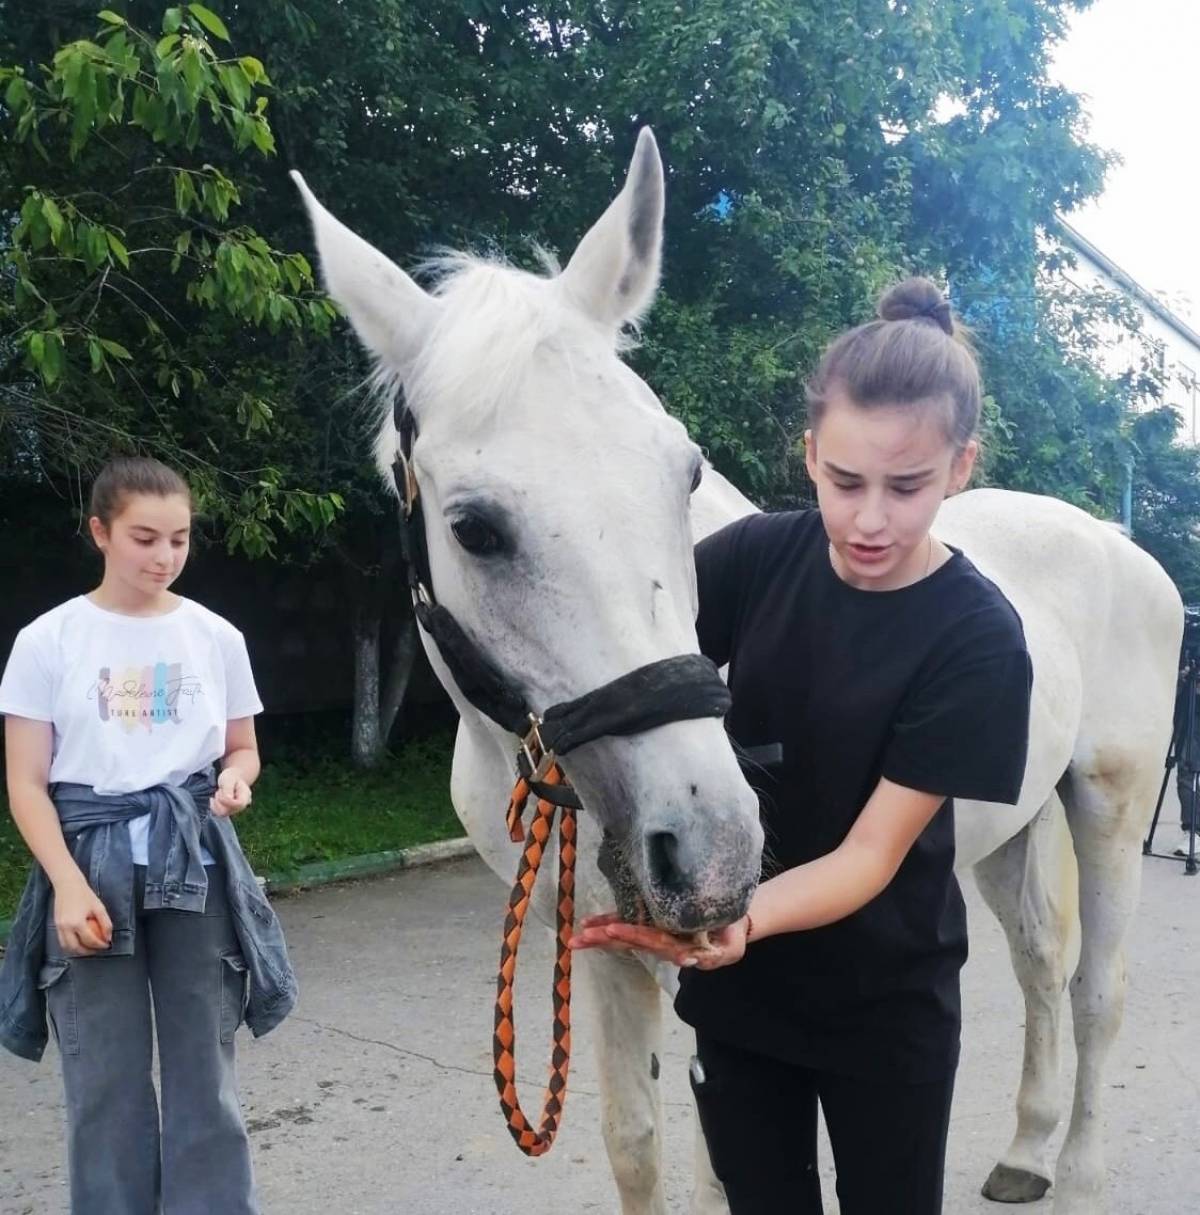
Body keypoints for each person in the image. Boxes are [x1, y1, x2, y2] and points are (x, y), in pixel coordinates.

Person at [570, 278, 1033, 1215]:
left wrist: (741, 919)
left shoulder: (978, 638)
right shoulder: (752, 558)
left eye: (907, 487)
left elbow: (871, 853)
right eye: (845, 481)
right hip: (743, 1003)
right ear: (811, 452)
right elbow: (633, 671)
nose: (870, 519)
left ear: (960, 467)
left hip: (886, 1007)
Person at [0, 456, 296, 1215]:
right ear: (100, 532)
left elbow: (242, 748)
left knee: (206, 1070)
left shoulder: (215, 636)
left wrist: (237, 779)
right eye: (144, 538)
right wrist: (67, 885)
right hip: (90, 866)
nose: (164, 556)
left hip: (194, 863)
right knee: (103, 1077)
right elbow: (27, 783)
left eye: (179, 539)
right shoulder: (47, 640)